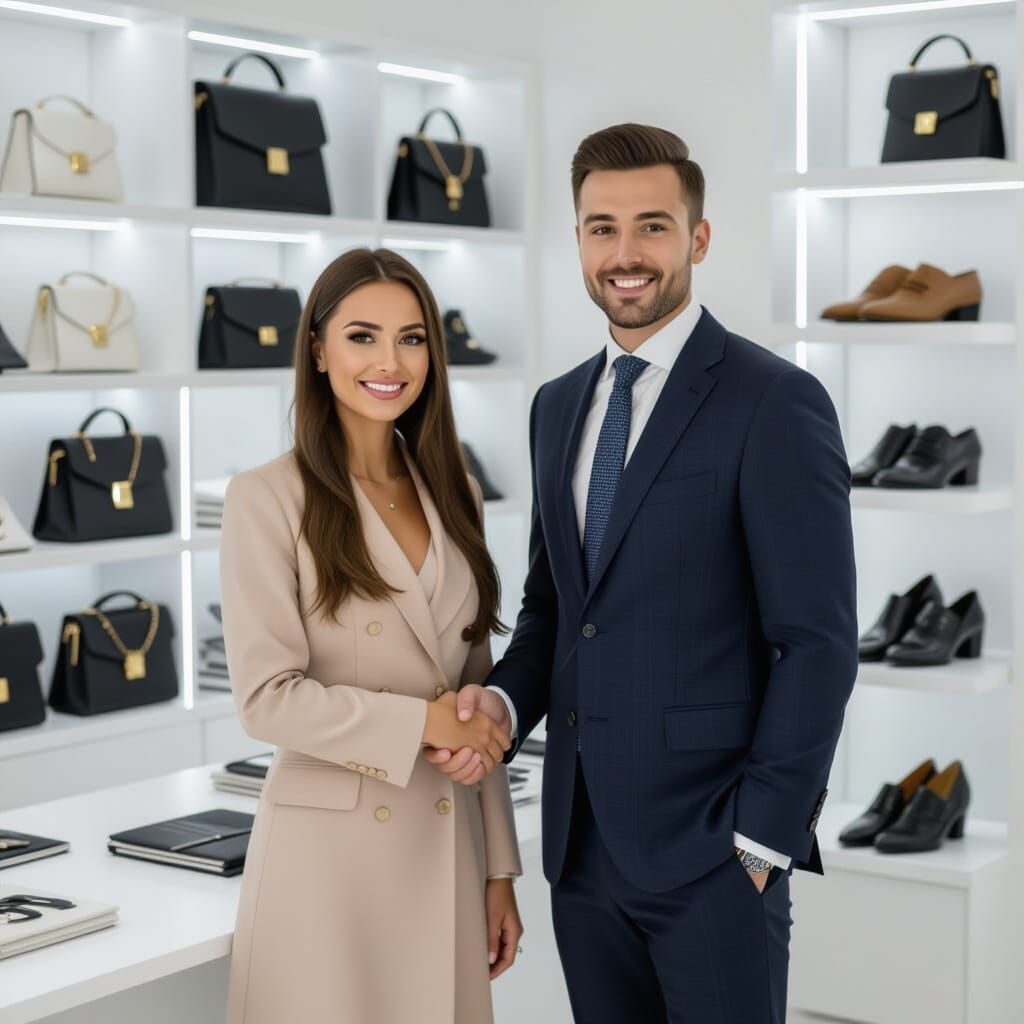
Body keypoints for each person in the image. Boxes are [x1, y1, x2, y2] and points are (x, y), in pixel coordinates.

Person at [426, 124, 858, 1023]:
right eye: (601, 228)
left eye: (653, 227)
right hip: (582, 855)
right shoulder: (555, 407)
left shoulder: (773, 400)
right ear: (577, 241)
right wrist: (501, 707)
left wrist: (761, 840)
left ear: (697, 239)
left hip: (714, 856)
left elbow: (815, 643)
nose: (626, 255)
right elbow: (555, 611)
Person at [220, 247, 523, 1024]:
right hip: (327, 867)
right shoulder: (265, 498)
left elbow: (475, 689)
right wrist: (422, 721)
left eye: (413, 338)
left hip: (447, 850)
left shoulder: (454, 487)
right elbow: (264, 700)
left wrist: (499, 872)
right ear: (317, 350)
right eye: (362, 336)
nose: (391, 361)